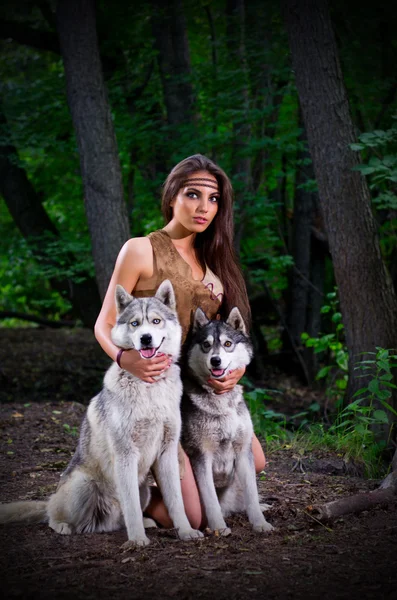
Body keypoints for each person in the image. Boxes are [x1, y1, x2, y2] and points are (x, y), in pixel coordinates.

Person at [94, 154, 266, 529]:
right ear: (172, 195)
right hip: (155, 386)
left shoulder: (215, 257)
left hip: (202, 385)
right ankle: (133, 495)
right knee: (193, 517)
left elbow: (228, 335)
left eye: (214, 198)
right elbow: (104, 323)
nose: (204, 207)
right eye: (193, 194)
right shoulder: (141, 248)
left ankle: (170, 479)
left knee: (254, 461)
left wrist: (234, 372)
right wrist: (124, 359)